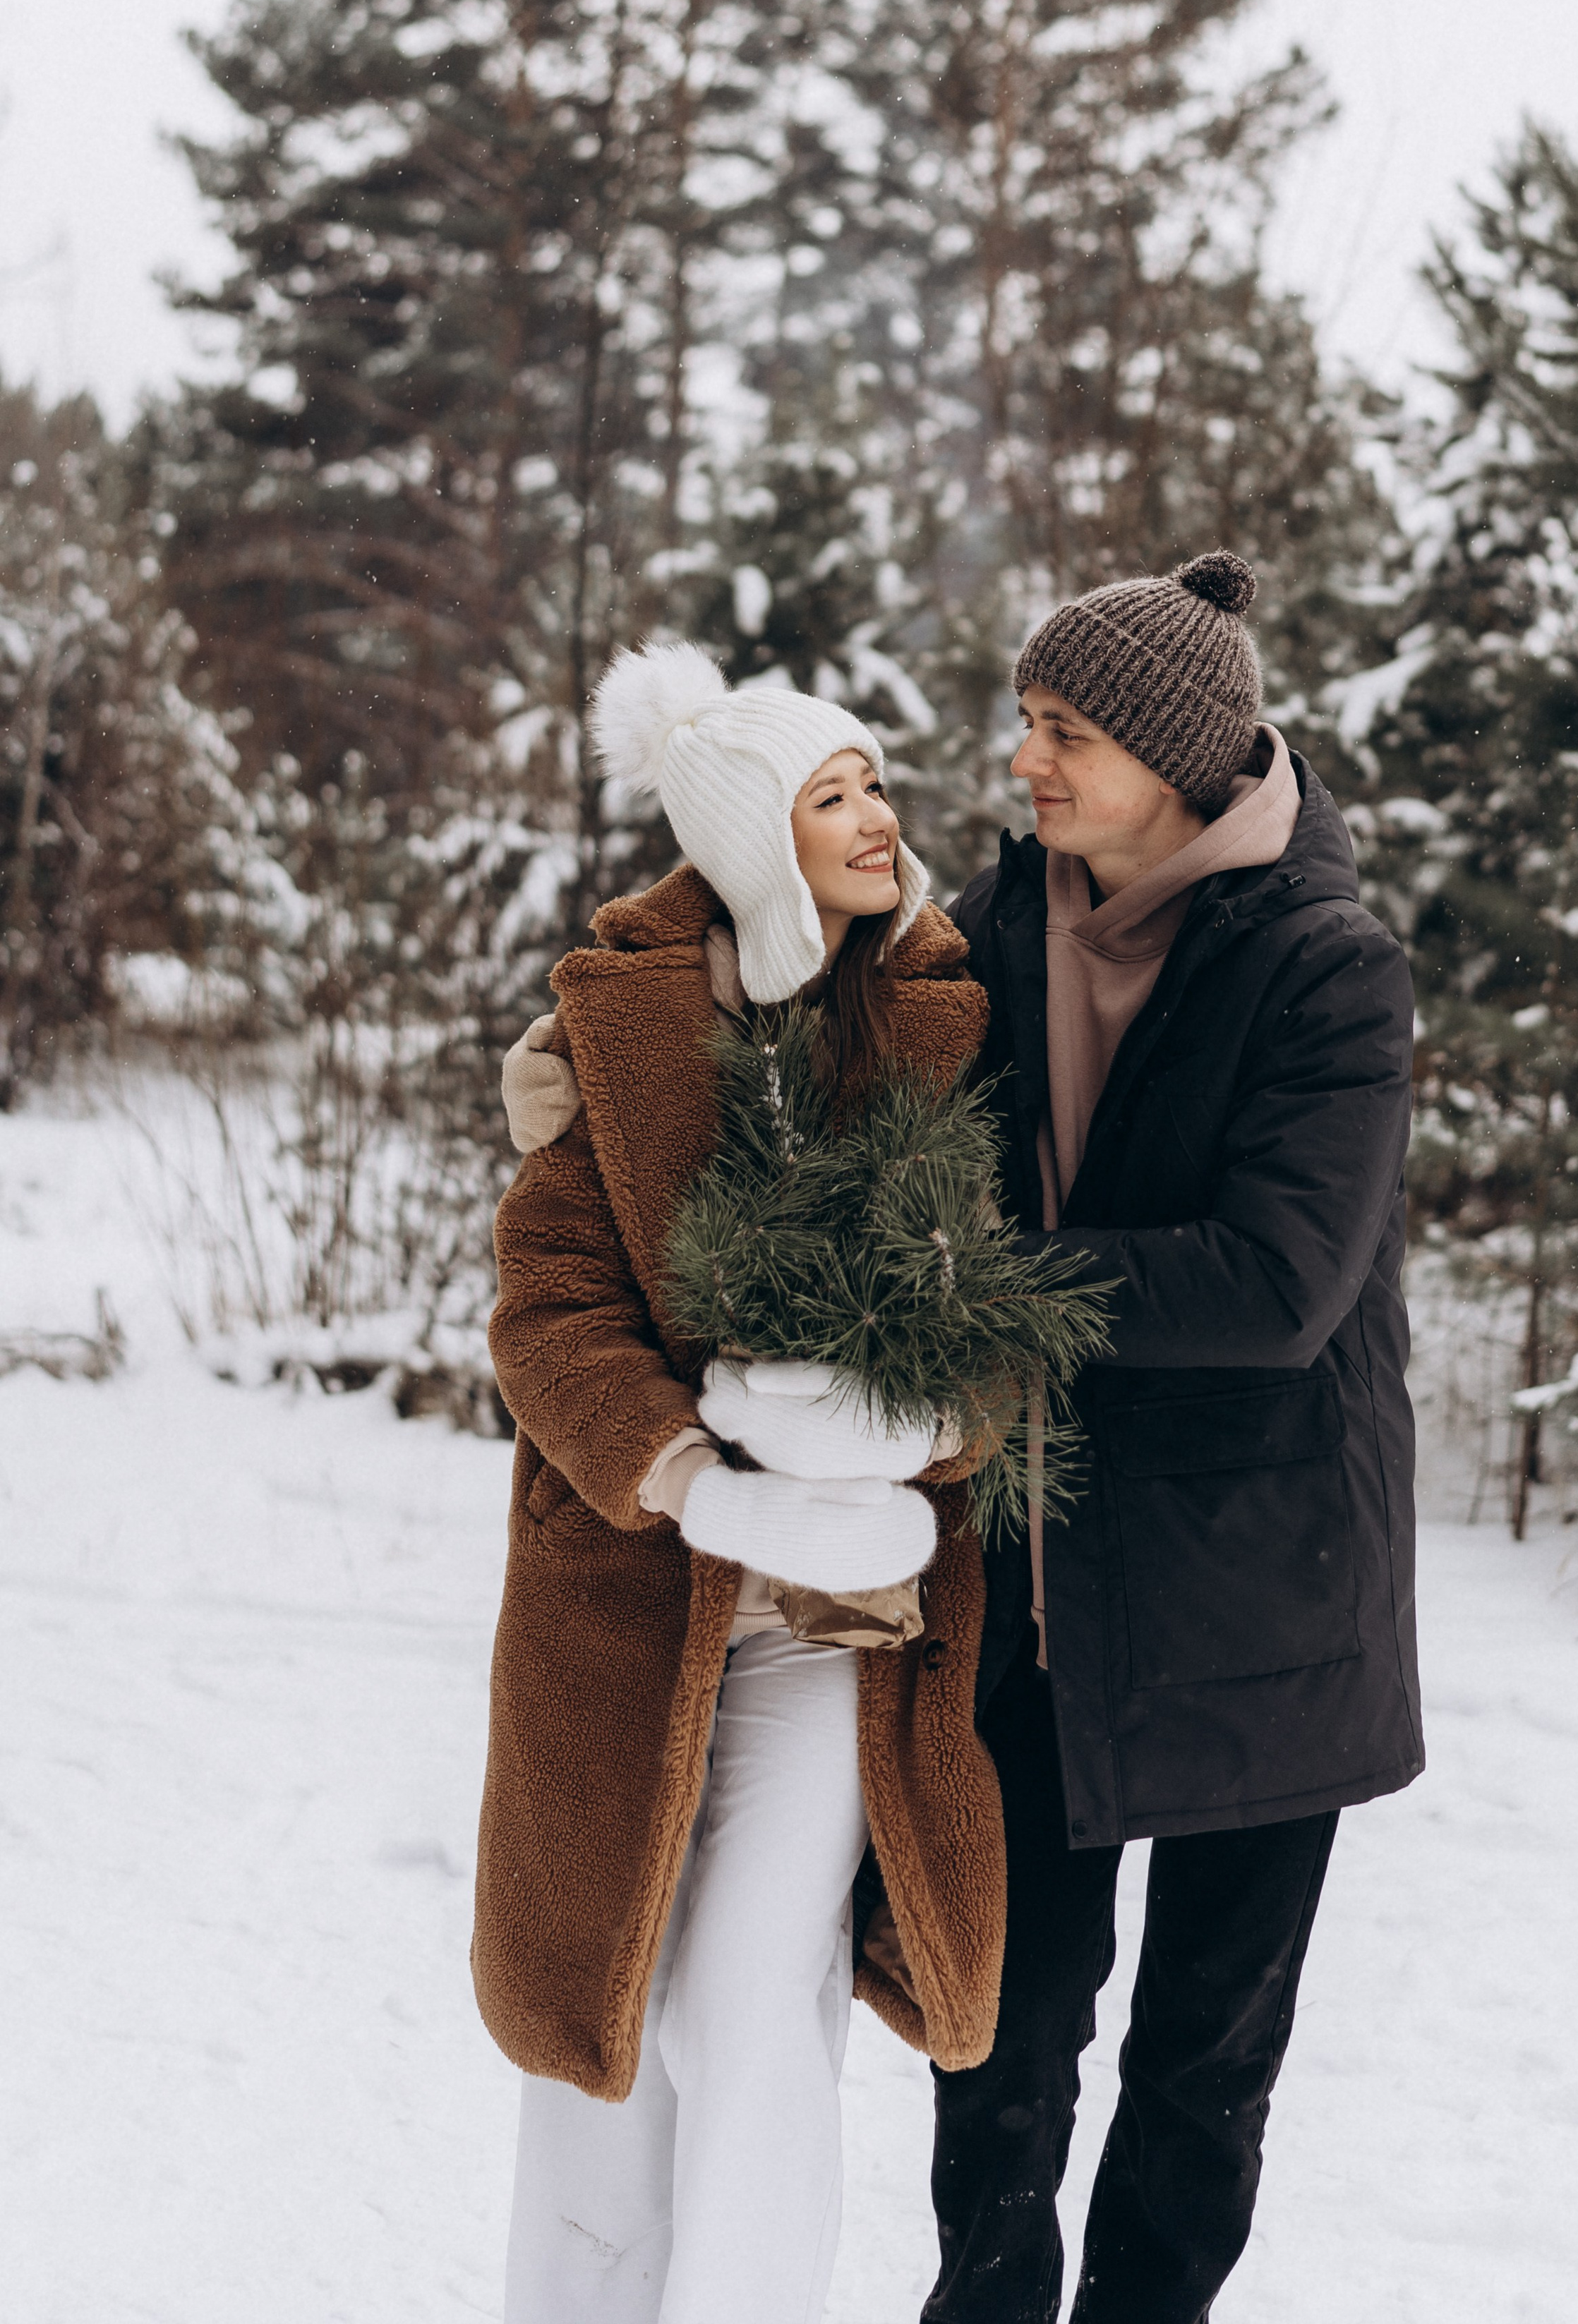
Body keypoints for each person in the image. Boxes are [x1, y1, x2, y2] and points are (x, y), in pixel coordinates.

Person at [503, 554, 1423, 2323]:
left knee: (1200, 2072)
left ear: (1169, 753)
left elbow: (1276, 1283)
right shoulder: (994, 928)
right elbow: (774, 935)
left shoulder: (1323, 969)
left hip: (1264, 1595)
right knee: (997, 2044)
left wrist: (958, 1278)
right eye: (1023, 725)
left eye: (1061, 731)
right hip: (1044, 1584)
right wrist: (580, 1047)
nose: (1021, 762)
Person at [474, 641, 1006, 2324]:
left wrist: (896, 1428)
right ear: (749, 840)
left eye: (871, 781)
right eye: (828, 794)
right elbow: (544, 1311)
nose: (877, 817)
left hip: (834, 1624)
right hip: (629, 1594)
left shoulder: (946, 1020)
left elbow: (1009, 1317)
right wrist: (700, 1483)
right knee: (599, 2011)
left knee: (750, 1988)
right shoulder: (609, 1033)